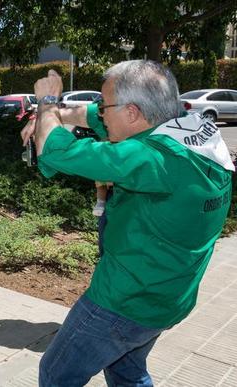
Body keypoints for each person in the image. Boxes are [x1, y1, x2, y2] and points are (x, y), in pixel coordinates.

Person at [21, 60, 234, 386]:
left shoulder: (153, 158)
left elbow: (53, 151)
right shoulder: (194, 132)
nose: (100, 113)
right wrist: (58, 117)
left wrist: (46, 104)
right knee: (127, 372)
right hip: (167, 300)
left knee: (55, 374)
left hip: (123, 303)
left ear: (133, 112)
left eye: (105, 106)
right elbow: (93, 118)